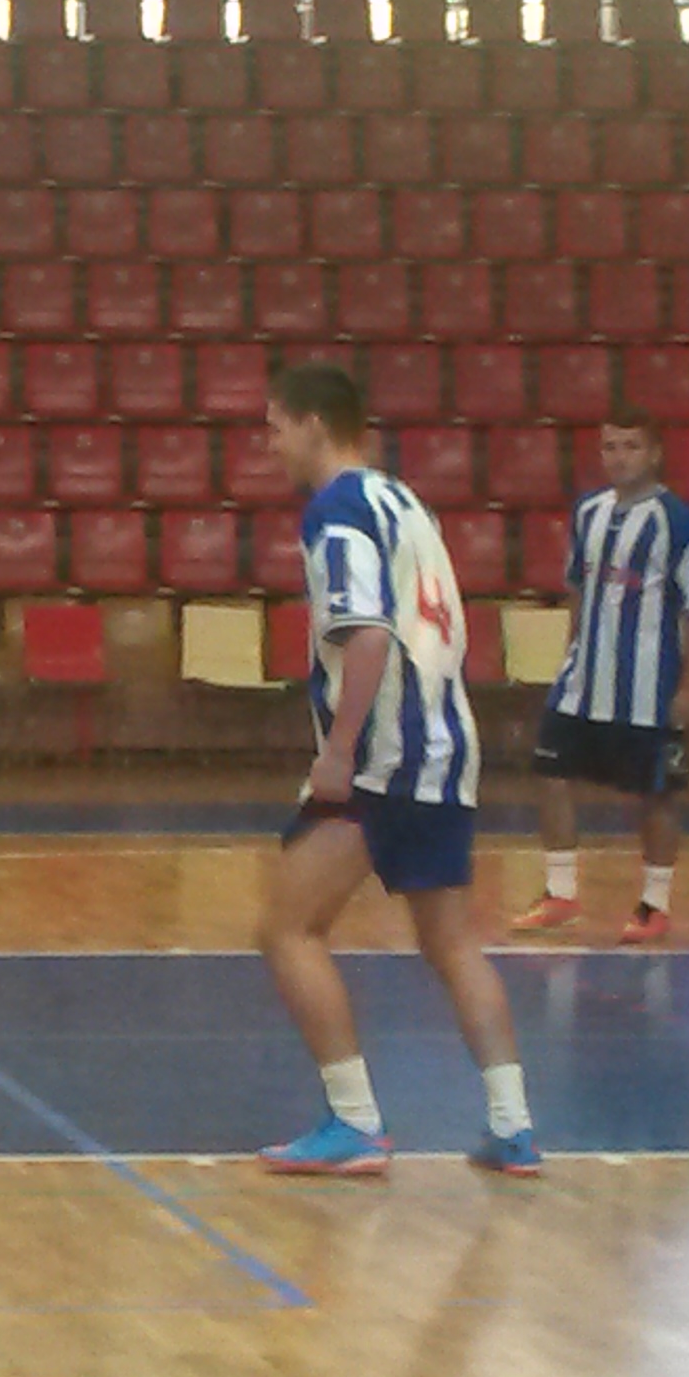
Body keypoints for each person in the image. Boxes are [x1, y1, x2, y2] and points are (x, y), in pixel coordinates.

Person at [254, 363, 538, 1178]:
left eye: (276, 427)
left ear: (314, 423)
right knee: (451, 942)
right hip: (447, 746)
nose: (271, 445)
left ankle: (355, 1121)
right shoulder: (405, 502)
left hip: (383, 755)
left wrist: (339, 750)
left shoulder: (337, 508)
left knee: (286, 929)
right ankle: (514, 1126)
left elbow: (369, 632)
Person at [509, 410, 689, 945]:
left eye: (631, 446)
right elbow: (578, 586)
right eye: (610, 447)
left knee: (654, 794)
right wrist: (571, 651)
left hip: (648, 686)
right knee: (550, 772)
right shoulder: (588, 512)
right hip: (584, 679)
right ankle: (560, 892)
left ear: (654, 453)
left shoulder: (676, 520)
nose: (619, 457)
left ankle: (654, 904)